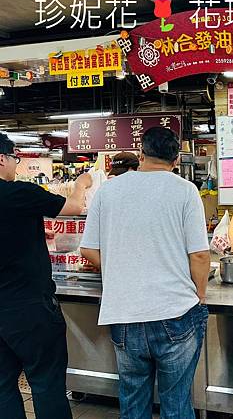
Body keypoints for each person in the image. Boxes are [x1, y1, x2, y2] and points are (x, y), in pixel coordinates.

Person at [80, 127, 211, 419]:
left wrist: (118, 268)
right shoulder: (185, 190)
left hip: (124, 315)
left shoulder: (109, 190)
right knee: (176, 403)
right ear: (176, 160)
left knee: (133, 402)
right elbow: (200, 255)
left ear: (141, 154)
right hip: (175, 313)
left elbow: (88, 250)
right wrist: (200, 294)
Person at [0, 132, 91, 419]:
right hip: (29, 308)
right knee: (46, 384)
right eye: (15, 158)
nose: (16, 164)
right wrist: (81, 184)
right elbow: (75, 208)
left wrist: (35, 231)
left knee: (2, 387)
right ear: (1, 158)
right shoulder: (19, 193)